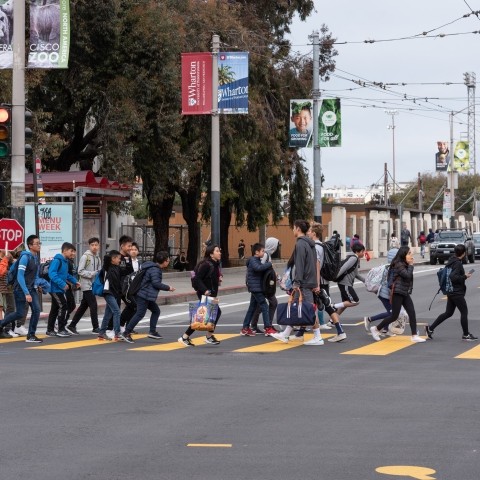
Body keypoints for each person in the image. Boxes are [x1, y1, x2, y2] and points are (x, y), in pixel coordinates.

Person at [271, 219, 320, 344]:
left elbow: (300, 265)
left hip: (303, 282)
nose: (293, 230)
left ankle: (318, 336)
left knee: (308, 309)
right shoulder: (310, 244)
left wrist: (297, 283)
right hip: (308, 281)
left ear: (298, 228)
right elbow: (314, 264)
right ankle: (286, 334)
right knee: (295, 306)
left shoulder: (300, 244)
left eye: (293, 227)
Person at [369, 246, 426, 343]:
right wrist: (411, 265)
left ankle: (414, 335)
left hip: (403, 291)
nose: (411, 255)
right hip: (397, 292)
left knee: (412, 313)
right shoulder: (398, 264)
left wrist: (409, 265)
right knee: (394, 316)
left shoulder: (404, 263)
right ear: (403, 254)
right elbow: (407, 276)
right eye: (409, 253)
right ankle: (376, 329)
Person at [425, 245, 478, 342]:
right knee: (464, 312)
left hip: (451, 291)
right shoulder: (457, 263)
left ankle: (430, 328)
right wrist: (465, 276)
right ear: (463, 253)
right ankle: (466, 335)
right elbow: (453, 277)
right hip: (456, 292)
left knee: (448, 313)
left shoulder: (451, 260)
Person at [121, 251, 175, 343]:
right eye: (168, 260)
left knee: (156, 311)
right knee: (140, 314)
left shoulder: (153, 267)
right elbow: (156, 283)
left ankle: (152, 331)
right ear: (165, 261)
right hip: (144, 295)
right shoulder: (155, 270)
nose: (169, 261)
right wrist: (168, 288)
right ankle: (126, 332)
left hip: (146, 294)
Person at [306, 222, 347, 343]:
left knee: (310, 305)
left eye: (309, 231)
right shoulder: (321, 246)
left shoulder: (316, 247)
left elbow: (317, 266)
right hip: (321, 281)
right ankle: (340, 331)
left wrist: (316, 283)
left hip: (318, 281)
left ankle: (312, 334)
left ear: (314, 233)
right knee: (326, 306)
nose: (307, 233)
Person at [0, 235, 43, 342]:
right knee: (19, 313)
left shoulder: (35, 258)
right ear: (30, 246)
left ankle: (31, 335)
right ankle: (1, 324)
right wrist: (26, 292)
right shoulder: (25, 257)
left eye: (39, 243)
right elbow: (20, 276)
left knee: (36, 310)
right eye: (36, 243)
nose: (39, 245)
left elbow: (34, 275)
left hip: (31, 288)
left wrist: (38, 285)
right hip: (20, 289)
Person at [178, 244, 223, 346]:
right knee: (203, 317)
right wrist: (205, 290)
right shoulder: (206, 264)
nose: (219, 252)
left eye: (219, 251)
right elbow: (198, 278)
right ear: (211, 254)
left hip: (211, 293)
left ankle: (188, 337)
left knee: (207, 315)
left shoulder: (215, 263)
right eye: (217, 251)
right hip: (205, 293)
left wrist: (219, 278)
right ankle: (189, 337)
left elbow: (212, 276)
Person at [240, 243, 278, 337]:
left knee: (252, 307)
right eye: (262, 251)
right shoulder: (253, 260)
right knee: (264, 306)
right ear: (256, 252)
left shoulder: (256, 260)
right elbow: (258, 268)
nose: (264, 252)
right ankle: (268, 328)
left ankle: (245, 328)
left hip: (255, 287)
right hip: (256, 288)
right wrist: (269, 264)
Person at [66, 237, 102, 335]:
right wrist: (92, 274)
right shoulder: (85, 257)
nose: (94, 247)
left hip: (93, 285)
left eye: (96, 245)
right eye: (92, 245)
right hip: (85, 285)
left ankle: (72, 325)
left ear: (99, 246)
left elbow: (99, 271)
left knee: (83, 306)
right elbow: (80, 271)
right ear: (89, 246)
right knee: (93, 305)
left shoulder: (98, 258)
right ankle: (96, 327)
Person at [46, 242, 81, 338]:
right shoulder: (57, 260)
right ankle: (61, 329)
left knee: (55, 309)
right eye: (72, 251)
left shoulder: (65, 261)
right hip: (55, 289)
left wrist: (75, 281)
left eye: (74, 251)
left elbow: (66, 275)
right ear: (65, 251)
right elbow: (52, 274)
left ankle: (50, 330)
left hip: (59, 289)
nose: (73, 253)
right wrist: (62, 284)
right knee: (63, 306)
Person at [363, 247, 398, 335]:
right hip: (385, 294)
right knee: (392, 313)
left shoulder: (389, 266)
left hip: (384, 293)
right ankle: (370, 319)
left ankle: (385, 329)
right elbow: (390, 284)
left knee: (391, 312)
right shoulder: (392, 269)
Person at [249, 237, 279, 334]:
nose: (276, 248)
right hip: (262, 285)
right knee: (272, 303)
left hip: (260, 284)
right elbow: (259, 268)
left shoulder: (266, 254)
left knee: (257, 305)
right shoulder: (265, 255)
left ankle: (253, 325)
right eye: (276, 246)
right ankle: (268, 325)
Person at [333, 242, 366, 317]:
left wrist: (365, 281)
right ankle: (333, 306)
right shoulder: (353, 258)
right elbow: (343, 267)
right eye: (362, 251)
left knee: (345, 303)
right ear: (357, 252)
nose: (363, 253)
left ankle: (332, 321)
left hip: (345, 283)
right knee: (355, 301)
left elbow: (356, 274)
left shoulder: (356, 259)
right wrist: (335, 277)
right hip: (345, 283)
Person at [98, 250, 123, 342]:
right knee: (117, 311)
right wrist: (109, 255)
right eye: (118, 258)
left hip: (114, 293)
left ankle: (101, 333)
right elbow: (106, 259)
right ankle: (117, 333)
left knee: (108, 313)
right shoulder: (107, 267)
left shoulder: (117, 268)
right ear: (113, 259)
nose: (120, 260)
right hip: (108, 292)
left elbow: (125, 271)